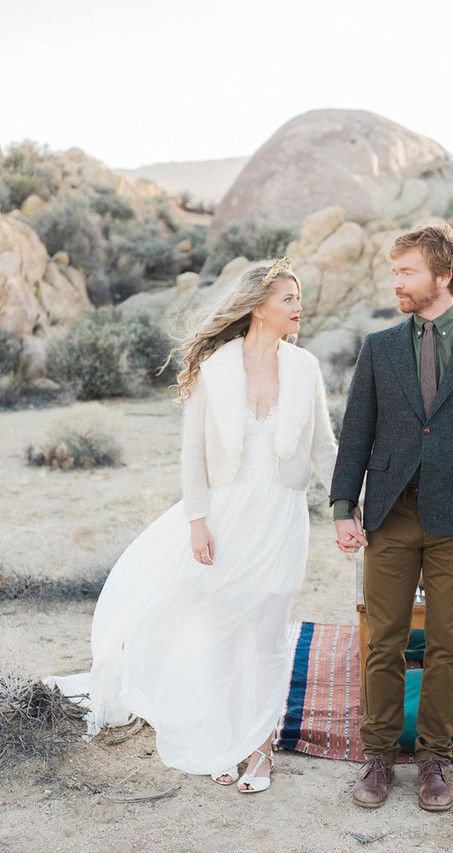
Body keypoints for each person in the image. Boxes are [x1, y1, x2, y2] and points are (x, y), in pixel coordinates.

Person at [47, 257, 337, 793]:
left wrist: (349, 507)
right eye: (288, 299)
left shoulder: (307, 369)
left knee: (268, 637)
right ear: (258, 307)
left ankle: (261, 750)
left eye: (299, 298)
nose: (299, 307)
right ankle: (220, 740)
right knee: (219, 632)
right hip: (226, 517)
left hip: (280, 517)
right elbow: (193, 452)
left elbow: (323, 447)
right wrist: (197, 521)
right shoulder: (218, 367)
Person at [330, 224, 453, 811]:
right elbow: (356, 430)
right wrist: (343, 506)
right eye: (395, 272)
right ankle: (379, 757)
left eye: (407, 272)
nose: (398, 282)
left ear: (443, 276)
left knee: (447, 643)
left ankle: (436, 759)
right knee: (383, 642)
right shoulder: (378, 346)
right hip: (388, 513)